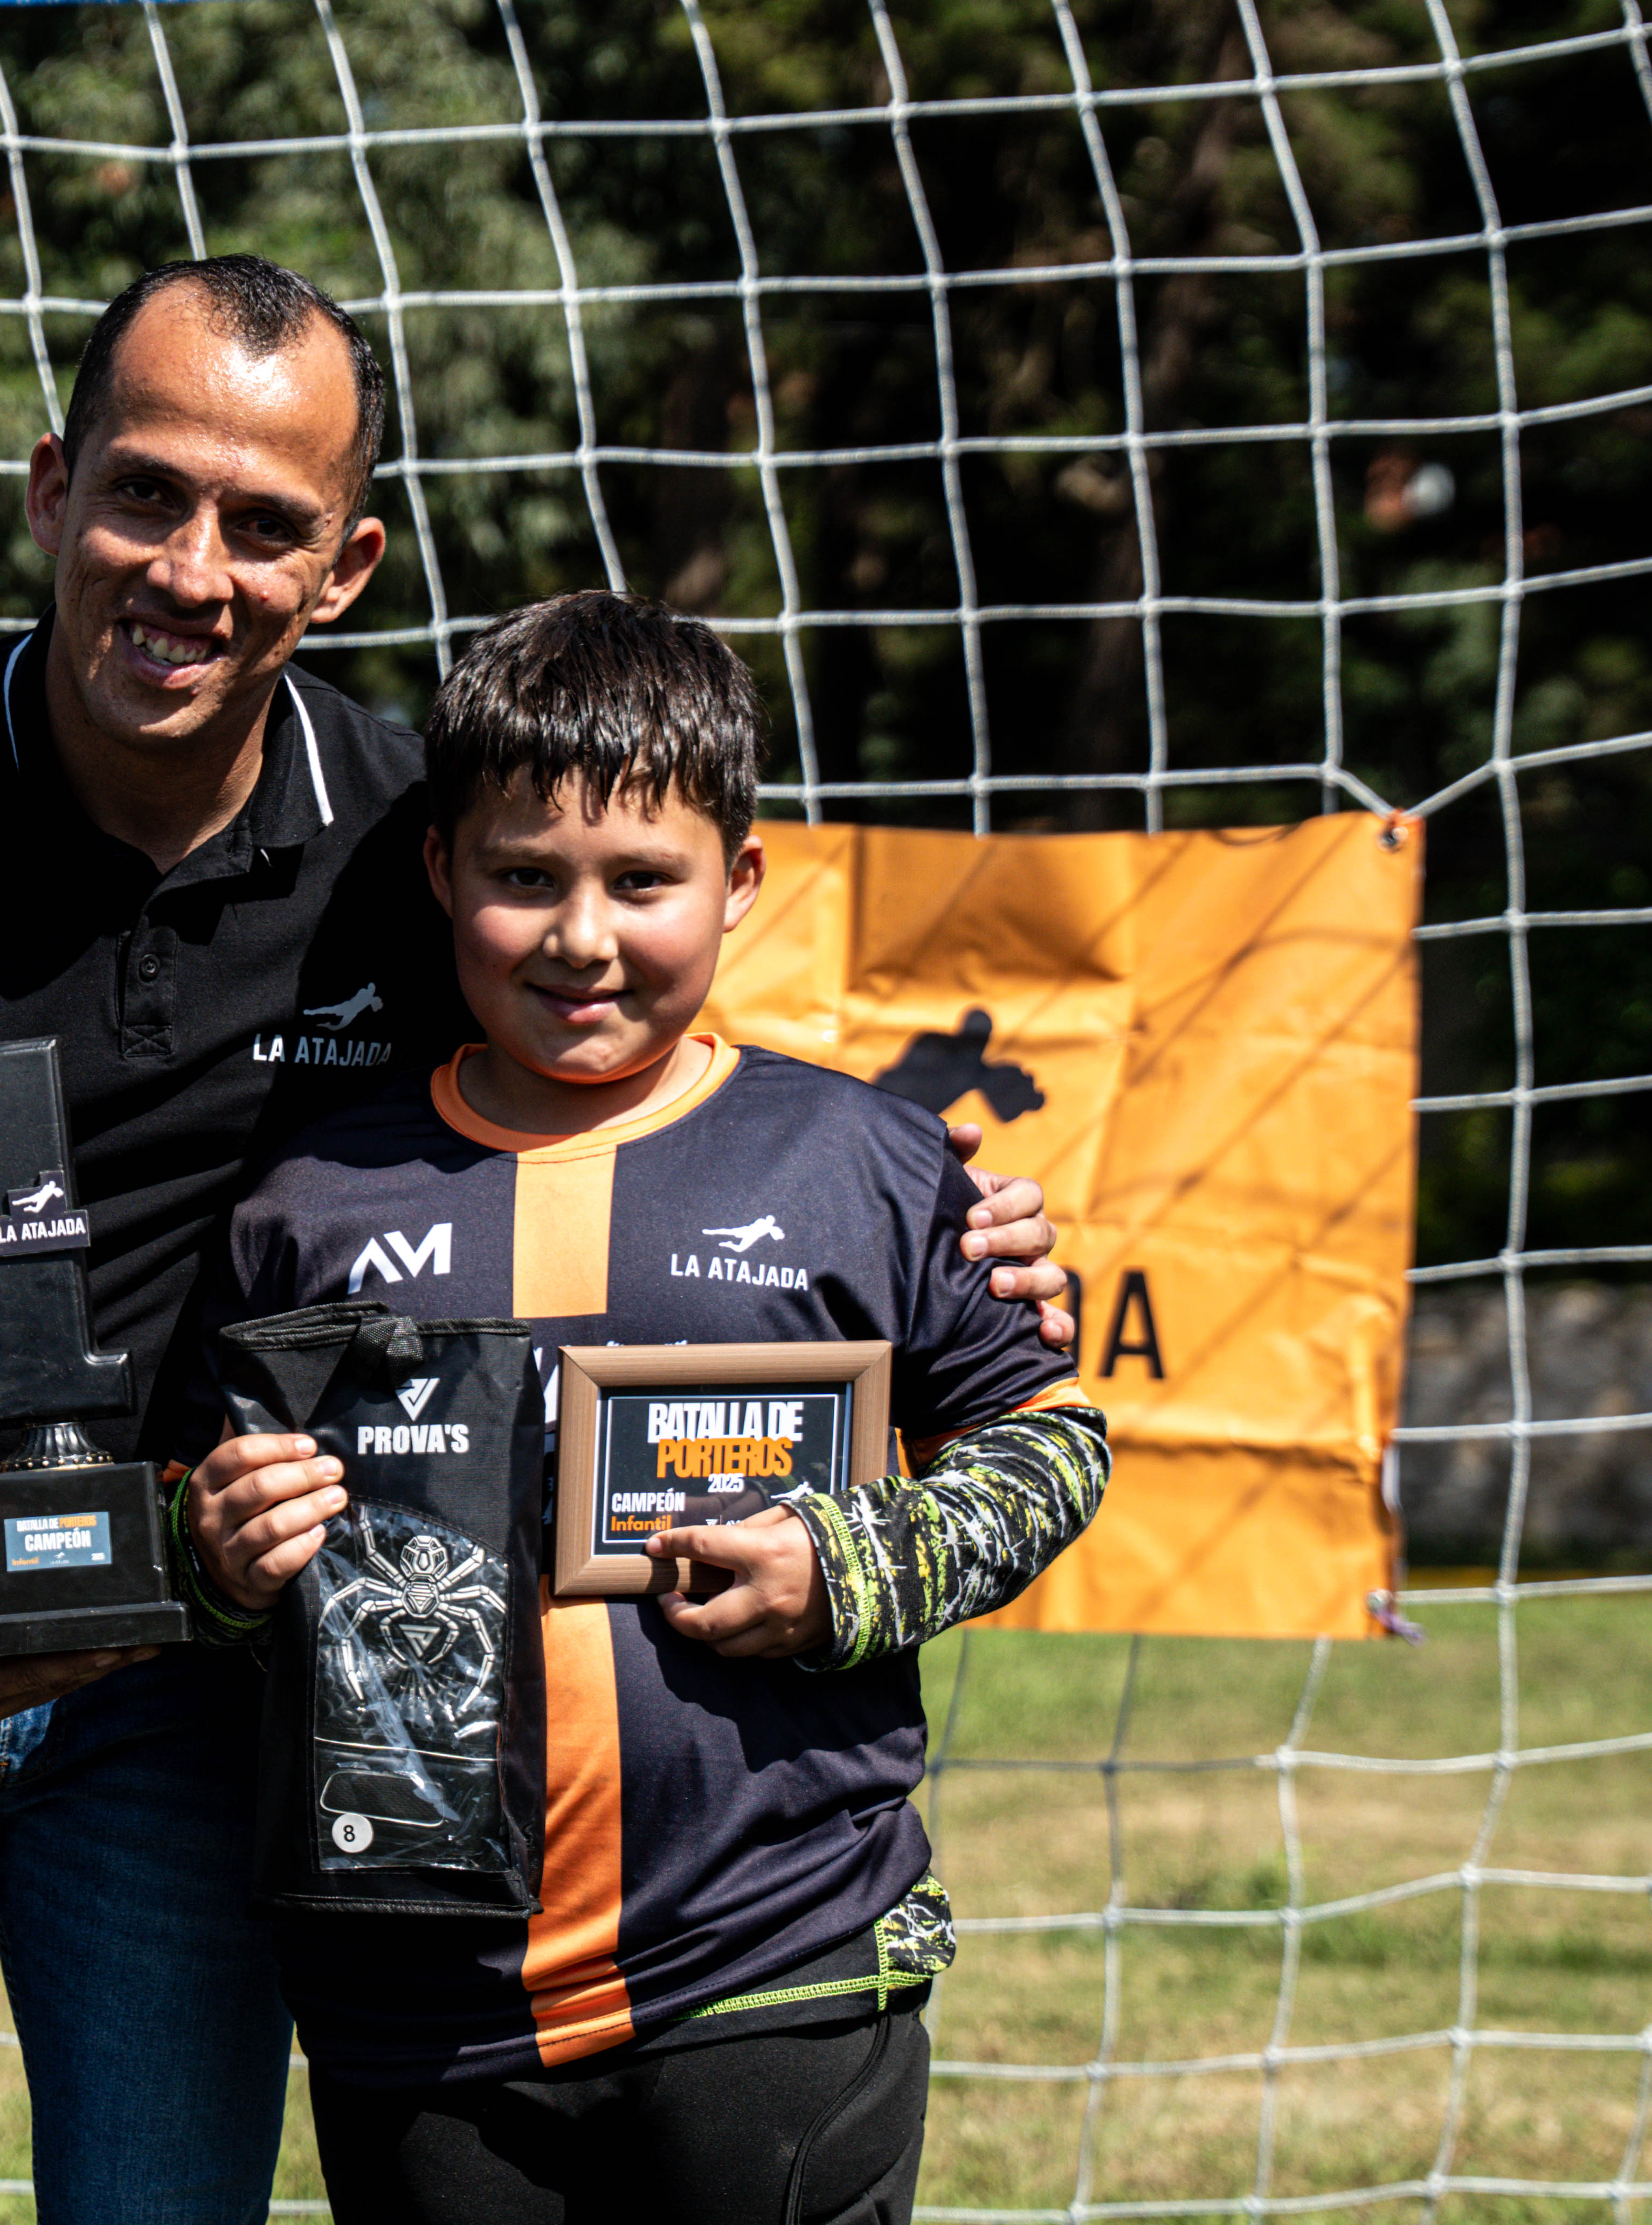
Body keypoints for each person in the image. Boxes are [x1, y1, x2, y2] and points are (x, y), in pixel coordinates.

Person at [0, 257, 1074, 2225]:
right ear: (49, 490)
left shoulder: (411, 839)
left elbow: (636, 1041)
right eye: (143, 492)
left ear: (350, 562)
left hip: (193, 1657)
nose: (189, 566)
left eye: (263, 524)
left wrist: (938, 1223)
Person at [184, 590, 1111, 2224]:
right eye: (525, 876)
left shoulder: (865, 1163)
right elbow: (208, 1519)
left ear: (739, 880)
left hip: (781, 1964)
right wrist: (225, 1556)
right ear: (441, 877)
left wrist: (860, 1565)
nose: (583, 934)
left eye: (643, 879)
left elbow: (1050, 1439)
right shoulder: (307, 1198)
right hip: (422, 2007)